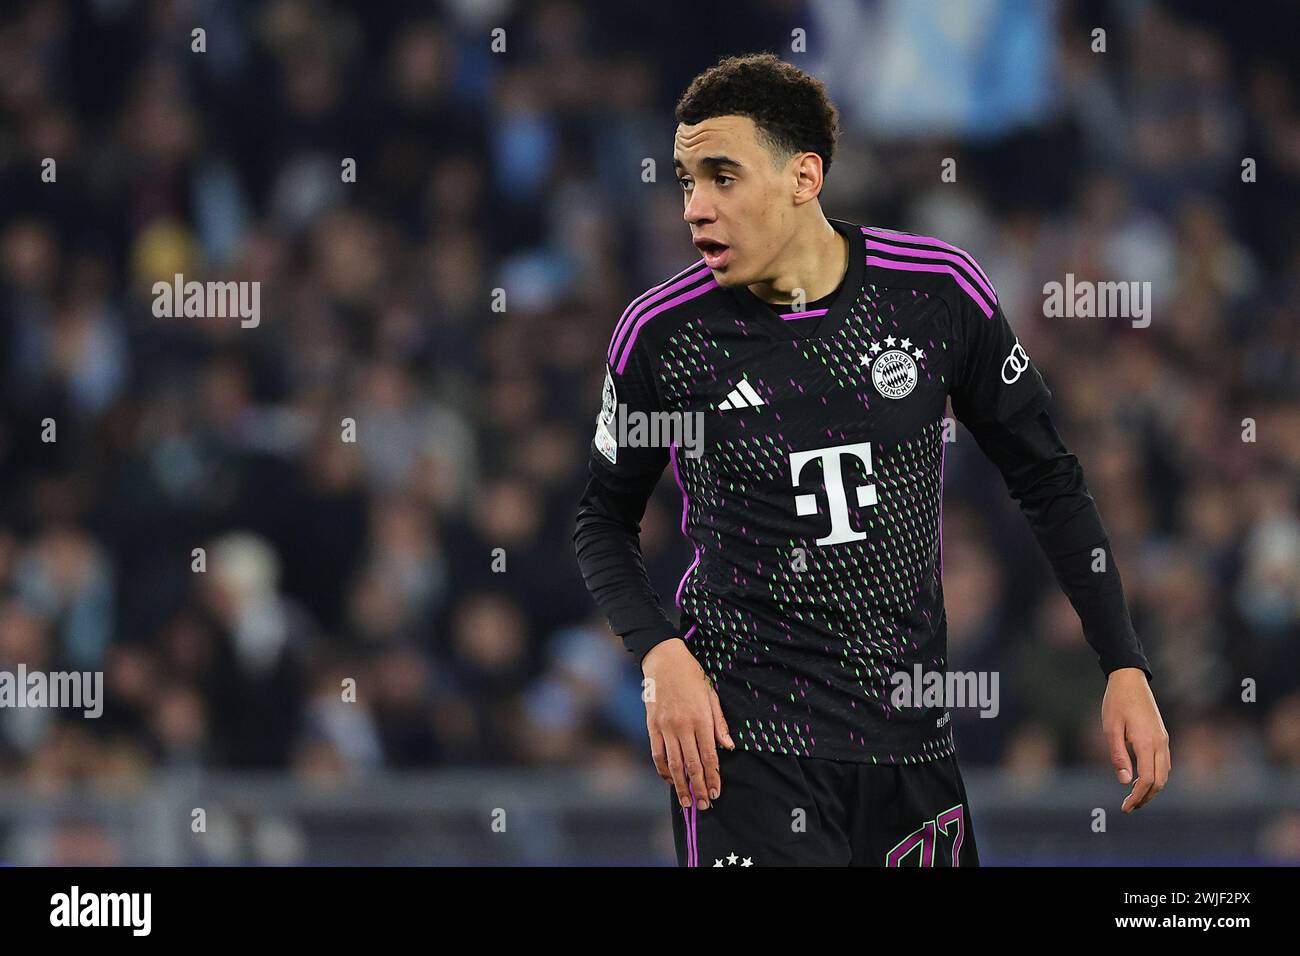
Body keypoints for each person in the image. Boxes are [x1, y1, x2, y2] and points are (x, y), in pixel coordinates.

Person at [573, 53, 1170, 866]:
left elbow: (1047, 478)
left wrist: (1122, 663)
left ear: (803, 176)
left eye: (722, 177)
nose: (696, 210)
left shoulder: (937, 291)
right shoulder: (663, 335)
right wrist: (660, 653)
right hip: (748, 743)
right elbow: (602, 520)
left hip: (908, 741)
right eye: (685, 182)